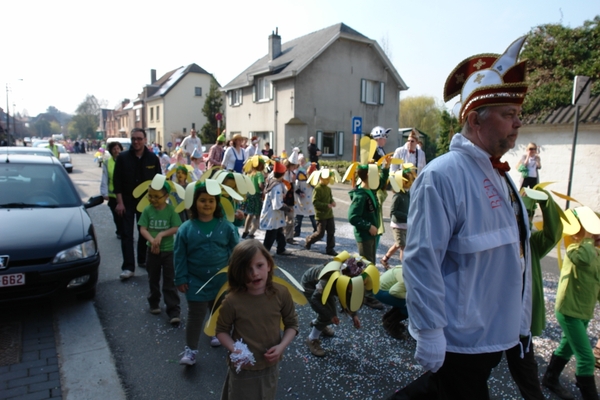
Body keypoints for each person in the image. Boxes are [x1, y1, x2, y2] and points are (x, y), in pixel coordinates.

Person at [393, 36, 532, 400]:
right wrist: (430, 330)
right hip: (460, 337)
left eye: (518, 115)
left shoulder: (500, 175)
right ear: (474, 119)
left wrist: (519, 321)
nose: (517, 124)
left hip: (490, 334)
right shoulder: (443, 175)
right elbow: (422, 259)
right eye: (508, 115)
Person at [216, 239, 299, 400]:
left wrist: (281, 346)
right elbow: (221, 331)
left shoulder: (281, 293)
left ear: (269, 264)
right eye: (247, 269)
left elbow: (292, 324)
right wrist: (235, 349)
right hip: (243, 368)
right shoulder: (232, 301)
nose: (254, 273)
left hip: (269, 366)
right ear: (238, 272)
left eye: (259, 266)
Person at [503, 187, 562, 400]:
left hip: (519, 326)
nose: (521, 220)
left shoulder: (532, 244)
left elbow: (552, 233)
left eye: (526, 216)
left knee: (528, 378)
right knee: (468, 372)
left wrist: (546, 202)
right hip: (493, 321)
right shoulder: (496, 240)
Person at [175, 181, 239, 365]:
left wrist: (237, 275)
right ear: (195, 203)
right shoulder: (185, 228)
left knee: (218, 310)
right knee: (196, 315)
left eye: (211, 200)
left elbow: (236, 251)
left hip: (221, 280)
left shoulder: (226, 227)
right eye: (203, 200)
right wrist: (180, 277)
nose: (207, 204)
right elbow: (179, 256)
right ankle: (191, 350)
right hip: (195, 281)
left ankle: (214, 332)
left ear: (217, 203)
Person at [542, 206, 600, 400]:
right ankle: (590, 394)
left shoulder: (595, 253)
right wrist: (589, 240)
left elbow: (596, 281)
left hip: (583, 311)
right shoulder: (576, 250)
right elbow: (584, 259)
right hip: (569, 310)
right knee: (586, 357)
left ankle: (550, 378)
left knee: (566, 346)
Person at [302, 254, 378, 357]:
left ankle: (319, 324)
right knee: (327, 313)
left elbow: (349, 296)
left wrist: (354, 315)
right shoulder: (329, 279)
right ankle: (312, 338)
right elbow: (316, 300)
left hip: (325, 288)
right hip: (310, 286)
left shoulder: (349, 278)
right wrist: (330, 316)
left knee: (329, 312)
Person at [346, 140, 389, 310]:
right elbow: (353, 217)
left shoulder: (370, 190)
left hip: (371, 234)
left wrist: (385, 169)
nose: (377, 178)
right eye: (375, 175)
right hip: (365, 235)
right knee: (367, 264)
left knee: (367, 263)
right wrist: (367, 226)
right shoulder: (361, 195)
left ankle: (357, 288)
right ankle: (365, 295)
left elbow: (382, 184)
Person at [114, 128, 161, 280]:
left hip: (146, 203)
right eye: (133, 138)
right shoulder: (122, 158)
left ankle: (142, 260)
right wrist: (119, 203)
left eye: (139, 139)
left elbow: (158, 182)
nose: (136, 142)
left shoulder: (153, 158)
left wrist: (158, 204)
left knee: (144, 233)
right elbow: (117, 182)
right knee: (127, 234)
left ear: (145, 140)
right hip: (126, 202)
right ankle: (128, 267)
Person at [138, 178, 182, 325]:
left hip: (169, 251)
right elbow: (142, 228)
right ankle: (154, 303)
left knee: (170, 281)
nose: (153, 199)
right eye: (150, 196)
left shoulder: (171, 211)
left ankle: (173, 311)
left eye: (157, 196)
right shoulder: (147, 210)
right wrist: (152, 240)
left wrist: (161, 235)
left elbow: (176, 227)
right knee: (153, 278)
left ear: (166, 197)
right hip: (152, 252)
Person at [380, 165, 416, 269]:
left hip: (405, 225)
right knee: (403, 247)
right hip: (398, 225)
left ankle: (385, 259)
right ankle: (404, 268)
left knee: (398, 244)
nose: (411, 182)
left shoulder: (407, 194)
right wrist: (406, 216)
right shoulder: (398, 196)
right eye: (409, 180)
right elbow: (393, 212)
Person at [260, 161, 293, 256]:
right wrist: (287, 209)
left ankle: (281, 248)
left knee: (279, 231)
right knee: (271, 233)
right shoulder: (277, 186)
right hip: (273, 214)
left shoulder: (272, 179)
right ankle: (265, 252)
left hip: (273, 213)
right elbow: (277, 205)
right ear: (282, 174)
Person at [304, 168, 337, 256]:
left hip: (329, 214)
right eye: (326, 179)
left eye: (329, 179)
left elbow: (330, 198)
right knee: (320, 234)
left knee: (331, 232)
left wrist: (332, 202)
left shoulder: (328, 189)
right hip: (321, 215)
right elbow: (315, 202)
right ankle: (309, 239)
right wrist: (326, 205)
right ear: (321, 178)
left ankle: (330, 249)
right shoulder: (317, 189)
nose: (328, 181)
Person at [100, 141, 124, 239]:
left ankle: (124, 232)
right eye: (114, 149)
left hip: (123, 195)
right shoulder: (107, 162)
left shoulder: (125, 161)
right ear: (110, 150)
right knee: (117, 216)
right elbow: (104, 178)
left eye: (118, 148)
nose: (116, 151)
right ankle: (119, 230)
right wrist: (104, 192)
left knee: (125, 216)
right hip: (112, 195)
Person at [241, 156, 266, 239]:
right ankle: (251, 233)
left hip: (249, 195)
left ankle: (245, 231)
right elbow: (260, 185)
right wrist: (264, 190)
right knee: (258, 215)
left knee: (249, 214)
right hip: (256, 196)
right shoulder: (259, 174)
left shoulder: (249, 174)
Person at [294, 160, 317, 238]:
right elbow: (296, 188)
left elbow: (317, 187)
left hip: (311, 201)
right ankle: (296, 231)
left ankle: (317, 231)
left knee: (313, 217)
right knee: (299, 216)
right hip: (302, 201)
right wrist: (300, 192)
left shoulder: (315, 180)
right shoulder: (300, 178)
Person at [282, 149, 300, 245]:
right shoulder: (285, 173)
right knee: (285, 218)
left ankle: (289, 237)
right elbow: (285, 186)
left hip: (290, 198)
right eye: (294, 166)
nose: (295, 168)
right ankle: (284, 236)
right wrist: (292, 181)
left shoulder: (292, 173)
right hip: (285, 198)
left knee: (290, 219)